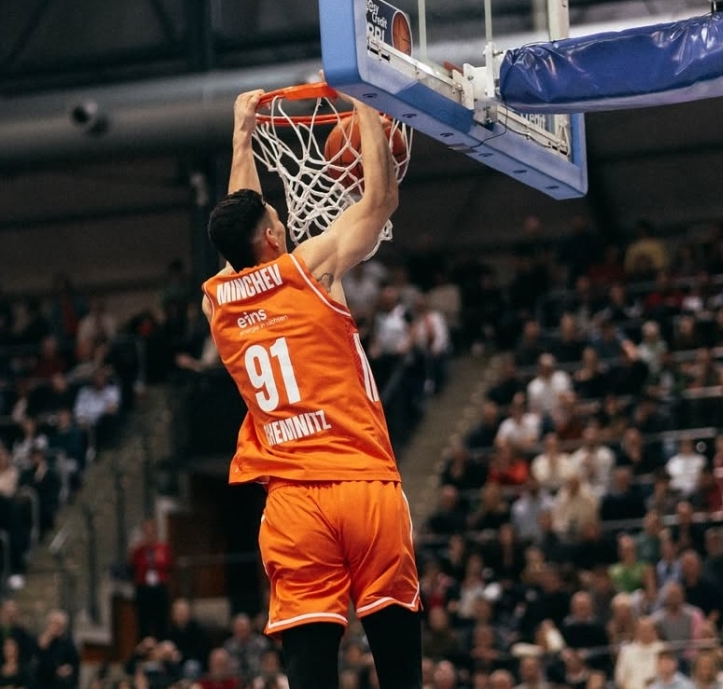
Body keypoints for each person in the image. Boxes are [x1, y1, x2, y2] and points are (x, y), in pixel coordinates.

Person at [201, 89, 420, 689]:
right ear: (273, 238)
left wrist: (243, 137)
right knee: (399, 663)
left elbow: (240, 228)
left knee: (310, 666)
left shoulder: (217, 304)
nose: (281, 217)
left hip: (292, 503)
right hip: (361, 482)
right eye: (275, 217)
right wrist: (366, 101)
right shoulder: (309, 269)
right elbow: (381, 200)